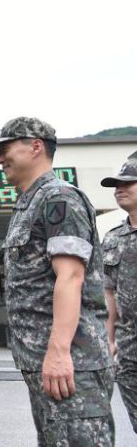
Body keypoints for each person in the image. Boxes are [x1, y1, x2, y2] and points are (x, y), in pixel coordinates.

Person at [0, 117, 114, 445]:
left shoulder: (59, 198)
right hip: (43, 362)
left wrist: (58, 352)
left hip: (71, 363)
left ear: (35, 146)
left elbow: (70, 276)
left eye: (5, 149)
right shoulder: (29, 203)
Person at [101, 154, 137, 433]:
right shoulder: (113, 238)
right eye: (116, 185)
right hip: (129, 346)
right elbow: (109, 295)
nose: (119, 189)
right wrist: (109, 339)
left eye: (128, 183)